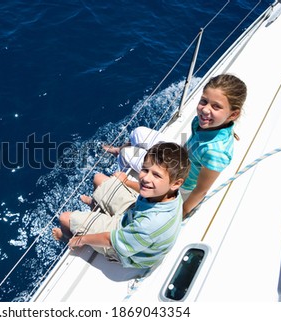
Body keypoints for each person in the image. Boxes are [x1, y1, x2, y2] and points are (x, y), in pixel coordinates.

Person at [102, 74, 247, 218]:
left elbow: (201, 190)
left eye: (216, 107)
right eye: (204, 101)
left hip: (178, 180)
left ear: (233, 115)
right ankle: (118, 150)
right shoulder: (205, 122)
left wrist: (182, 213)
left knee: (126, 155)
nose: (205, 109)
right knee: (138, 133)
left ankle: (128, 185)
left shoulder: (215, 152)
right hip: (181, 156)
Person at [52, 142, 190, 269]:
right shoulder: (171, 194)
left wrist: (81, 239)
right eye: (145, 169)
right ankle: (95, 207)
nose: (146, 178)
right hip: (133, 215)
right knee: (98, 178)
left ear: (176, 183)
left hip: (126, 249)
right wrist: (127, 182)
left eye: (156, 175)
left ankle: (67, 238)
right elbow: (146, 190)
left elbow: (111, 240)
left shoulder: (151, 224)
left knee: (65, 218)